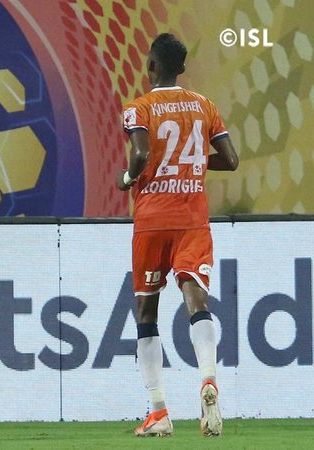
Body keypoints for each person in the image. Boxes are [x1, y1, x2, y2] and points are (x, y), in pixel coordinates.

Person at [117, 33, 239, 437]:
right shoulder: (204, 106)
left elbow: (140, 154)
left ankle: (159, 412)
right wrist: (193, 162)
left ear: (150, 66)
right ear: (182, 69)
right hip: (192, 218)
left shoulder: (138, 109)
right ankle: (208, 378)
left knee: (146, 313)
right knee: (196, 299)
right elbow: (231, 160)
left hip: (152, 220)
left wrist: (128, 178)